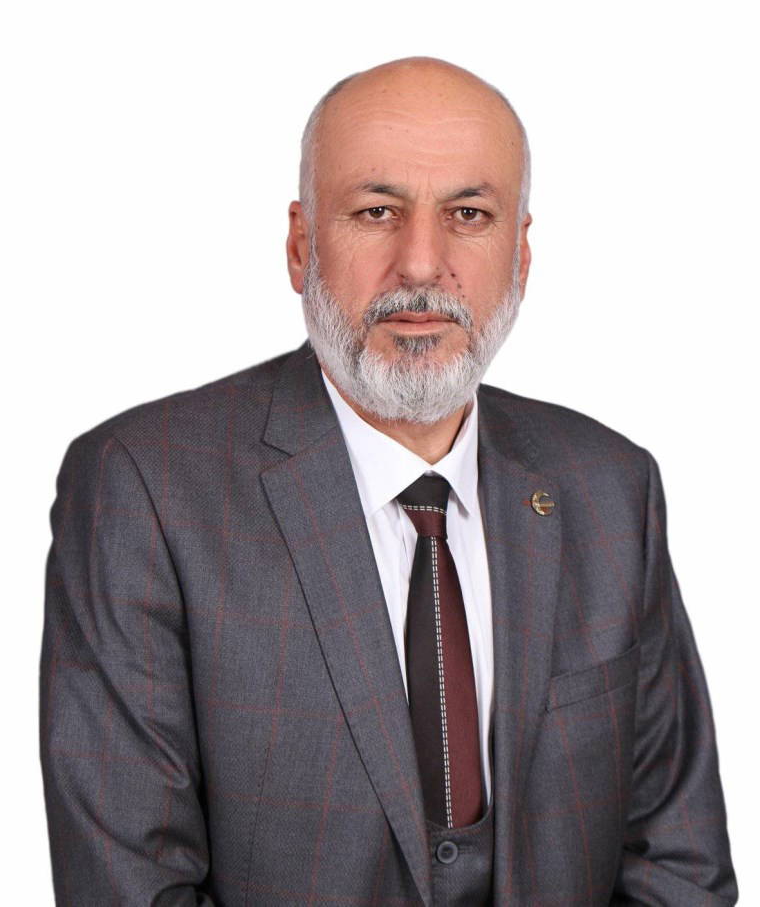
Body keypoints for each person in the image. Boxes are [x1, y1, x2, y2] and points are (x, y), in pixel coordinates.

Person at [40, 57, 737, 906]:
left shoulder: (612, 488)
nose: (421, 264)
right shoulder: (145, 489)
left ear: (520, 254)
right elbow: (130, 887)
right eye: (377, 211)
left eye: (469, 215)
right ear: (302, 245)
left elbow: (678, 866)